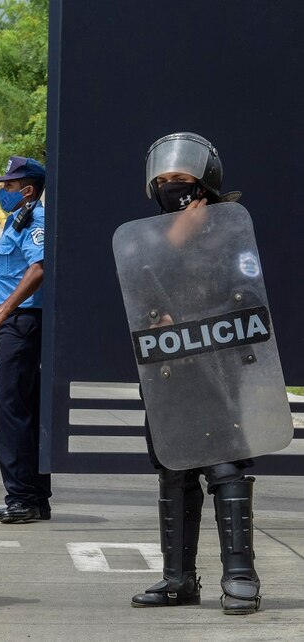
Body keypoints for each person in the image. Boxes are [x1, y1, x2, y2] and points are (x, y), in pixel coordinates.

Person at [129, 132, 260, 615]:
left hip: (221, 369)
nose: (170, 188)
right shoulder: (146, 239)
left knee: (225, 468)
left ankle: (241, 576)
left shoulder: (231, 231)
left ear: (204, 182)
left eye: (180, 180)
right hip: (169, 372)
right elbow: (137, 296)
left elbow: (247, 295)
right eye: (162, 181)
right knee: (174, 466)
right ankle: (178, 578)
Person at [0, 156, 51, 524]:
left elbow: (38, 268)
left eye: (7, 186)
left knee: (12, 413)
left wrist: (4, 311)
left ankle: (22, 498)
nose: (2, 191)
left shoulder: (35, 221)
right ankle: (34, 498)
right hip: (15, 326)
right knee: (25, 409)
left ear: (27, 190)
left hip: (21, 322)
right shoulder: (18, 219)